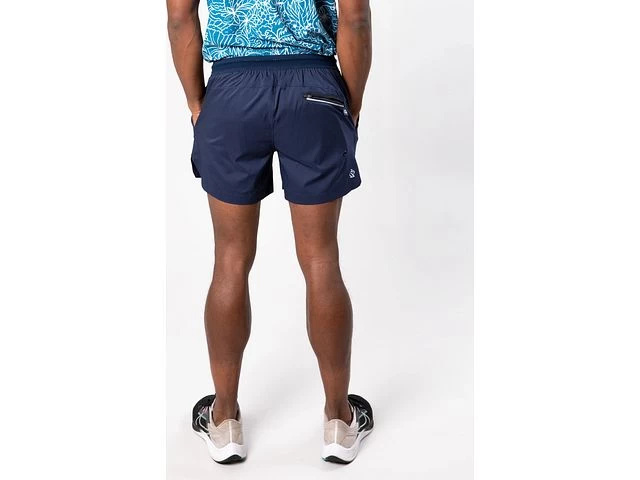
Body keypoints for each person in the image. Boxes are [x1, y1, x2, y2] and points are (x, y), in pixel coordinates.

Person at [167, 0, 373, 464]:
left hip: (232, 92)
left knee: (230, 259)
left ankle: (224, 420)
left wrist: (198, 104)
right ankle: (339, 421)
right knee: (321, 258)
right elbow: (356, 16)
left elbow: (180, 16)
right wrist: (352, 106)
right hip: (314, 89)